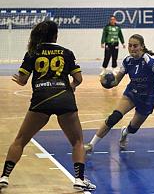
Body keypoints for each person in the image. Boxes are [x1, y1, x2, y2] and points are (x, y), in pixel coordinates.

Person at [0, 20, 96, 191]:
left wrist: (19, 79)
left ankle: (4, 177)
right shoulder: (66, 52)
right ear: (55, 35)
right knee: (78, 141)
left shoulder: (32, 52)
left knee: (20, 140)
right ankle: (79, 180)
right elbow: (79, 79)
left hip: (41, 100)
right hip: (64, 98)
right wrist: (71, 87)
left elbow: (22, 80)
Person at [84, 34, 154, 152]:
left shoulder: (149, 61)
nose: (132, 48)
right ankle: (91, 145)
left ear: (142, 47)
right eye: (130, 46)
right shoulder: (127, 61)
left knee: (134, 128)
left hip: (148, 97)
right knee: (114, 117)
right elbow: (116, 81)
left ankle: (125, 132)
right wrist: (106, 83)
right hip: (132, 93)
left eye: (135, 46)